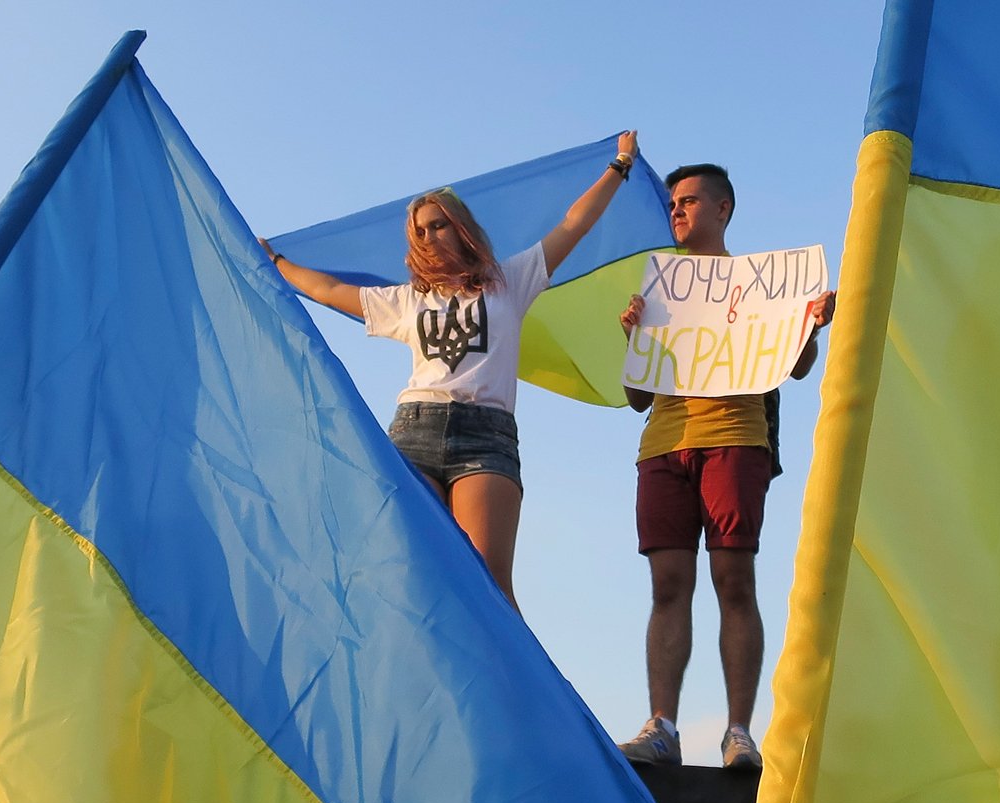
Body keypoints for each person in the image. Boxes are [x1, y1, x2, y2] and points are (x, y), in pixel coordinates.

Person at [259, 132, 639, 615]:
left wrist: (620, 164)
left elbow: (574, 224)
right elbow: (330, 288)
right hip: (415, 429)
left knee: (490, 581)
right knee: (416, 576)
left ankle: (515, 690)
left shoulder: (510, 280)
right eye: (419, 231)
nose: (429, 237)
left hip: (486, 436)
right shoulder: (405, 300)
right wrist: (275, 261)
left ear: (461, 228)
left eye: (437, 225)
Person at [616, 164, 835, 768]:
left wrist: (809, 324)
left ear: (723, 210)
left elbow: (796, 363)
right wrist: (634, 338)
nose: (678, 212)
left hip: (737, 438)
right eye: (673, 204)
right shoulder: (658, 288)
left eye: (689, 201)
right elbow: (637, 397)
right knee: (667, 587)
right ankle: (662, 726)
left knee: (734, 581)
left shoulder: (762, 284)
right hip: (663, 445)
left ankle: (739, 731)